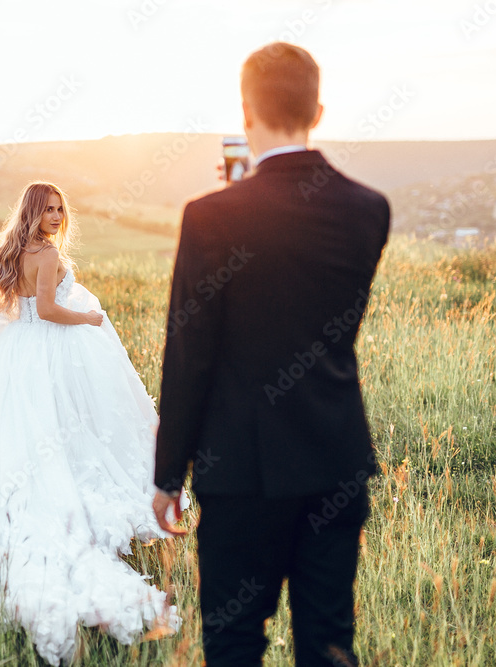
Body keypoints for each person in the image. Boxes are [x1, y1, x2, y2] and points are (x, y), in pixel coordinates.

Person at [152, 43, 390, 666]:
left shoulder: (210, 216)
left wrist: (167, 473)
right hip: (334, 458)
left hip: (241, 470)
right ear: (318, 108)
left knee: (234, 642)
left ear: (246, 110)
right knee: (329, 641)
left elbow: (190, 353)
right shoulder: (369, 210)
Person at [0, 181, 180, 666]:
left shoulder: (14, 249)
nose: (58, 217)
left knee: (31, 432)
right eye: (49, 210)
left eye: (61, 209)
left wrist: (14, 317)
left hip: (20, 349)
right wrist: (86, 320)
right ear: (33, 213)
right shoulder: (41, 255)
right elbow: (46, 308)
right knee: (65, 427)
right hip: (49, 347)